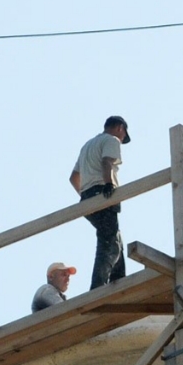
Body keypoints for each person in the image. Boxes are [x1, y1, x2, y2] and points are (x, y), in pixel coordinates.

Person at [69, 116, 131, 290]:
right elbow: (107, 162)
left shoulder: (87, 146)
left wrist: (85, 196)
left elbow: (74, 177)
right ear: (120, 128)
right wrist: (109, 185)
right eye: (123, 135)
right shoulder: (111, 140)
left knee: (114, 239)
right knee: (109, 243)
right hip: (103, 194)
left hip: (88, 198)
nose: (121, 140)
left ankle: (118, 281)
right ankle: (98, 287)